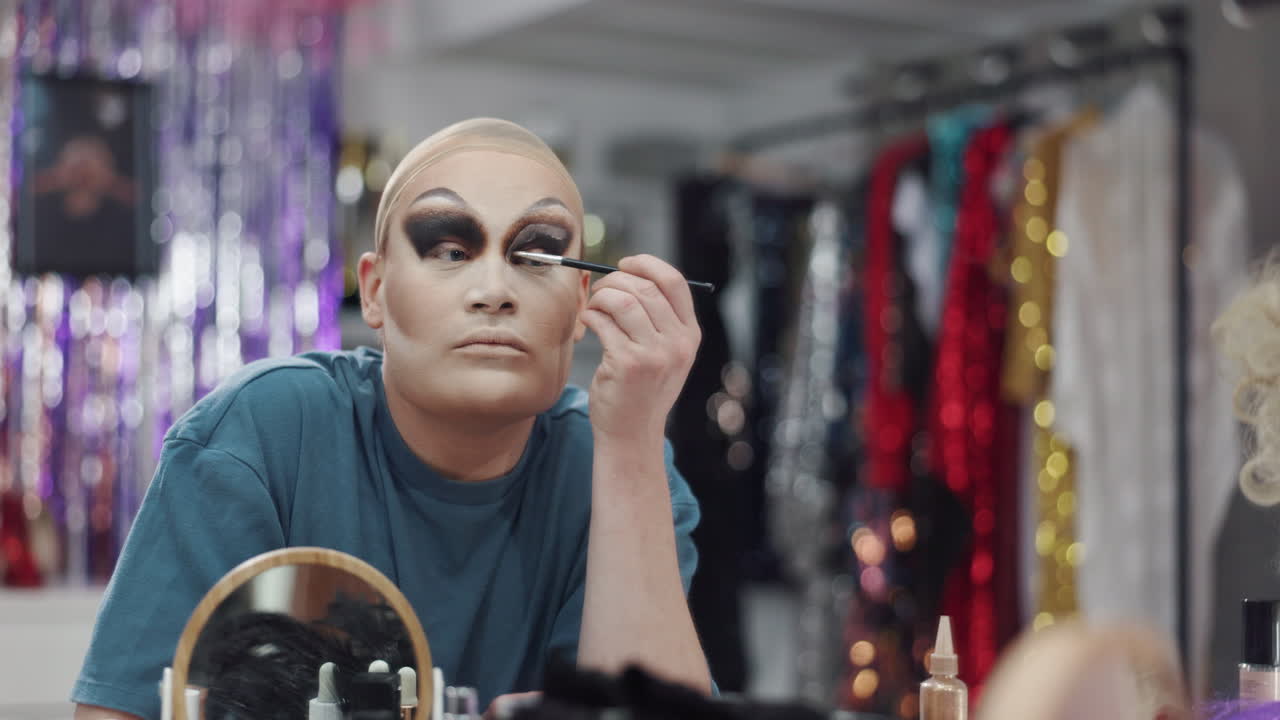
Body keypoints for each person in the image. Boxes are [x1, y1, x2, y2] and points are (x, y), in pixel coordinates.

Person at [71, 118, 712, 719]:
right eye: (451, 251)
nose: (495, 290)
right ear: (375, 291)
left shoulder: (620, 466)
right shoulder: (261, 436)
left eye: (536, 256)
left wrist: (631, 442)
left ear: (581, 305)